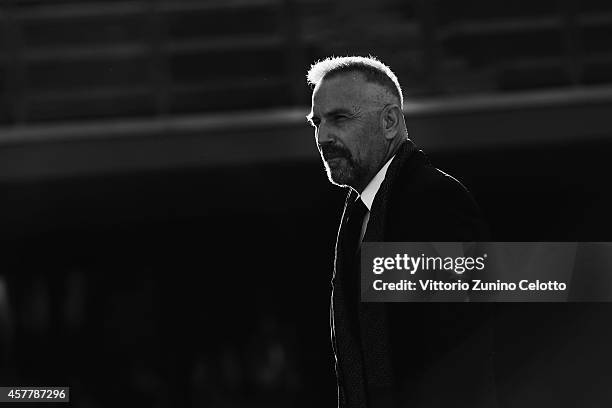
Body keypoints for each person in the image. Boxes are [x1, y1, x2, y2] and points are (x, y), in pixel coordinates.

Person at [306, 56, 494, 408]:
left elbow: (460, 350)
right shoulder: (359, 214)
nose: (323, 136)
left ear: (390, 121)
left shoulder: (434, 200)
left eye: (339, 118)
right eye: (317, 123)